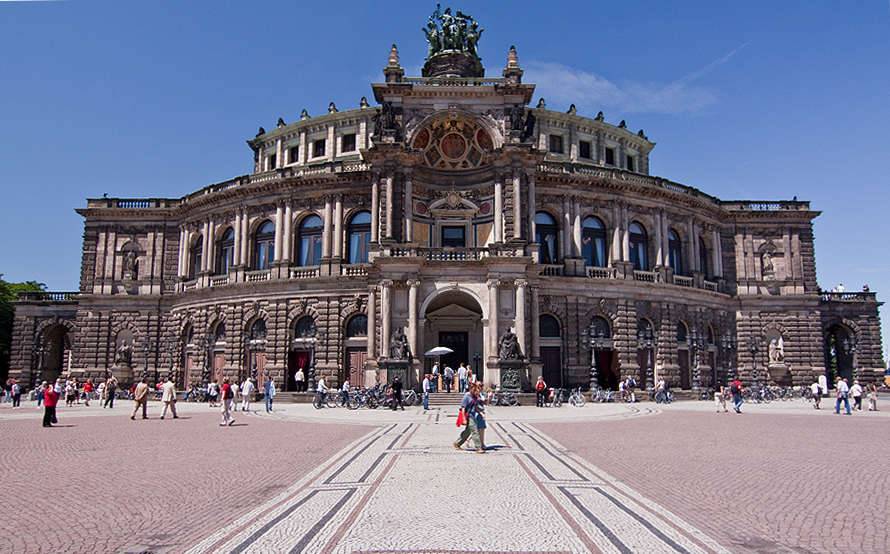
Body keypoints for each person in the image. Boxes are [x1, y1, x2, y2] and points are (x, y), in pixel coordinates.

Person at [453, 382, 484, 453]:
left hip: (473, 415)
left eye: (475, 390)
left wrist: (481, 412)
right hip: (468, 416)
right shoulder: (466, 397)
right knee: (474, 431)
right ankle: (478, 448)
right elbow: (463, 408)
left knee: (468, 431)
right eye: (473, 390)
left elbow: (476, 406)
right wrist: (464, 419)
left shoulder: (474, 397)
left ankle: (457, 443)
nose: (474, 391)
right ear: (470, 389)